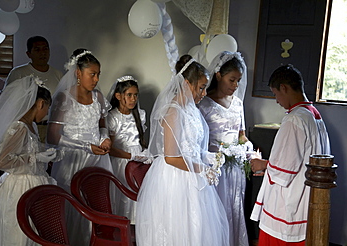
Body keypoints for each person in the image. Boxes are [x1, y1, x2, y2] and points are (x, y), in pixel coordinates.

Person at [136, 54, 230, 245]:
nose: (204, 93)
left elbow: (192, 146)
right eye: (201, 87)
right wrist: (203, 169)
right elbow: (171, 157)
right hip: (174, 177)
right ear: (187, 83)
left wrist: (210, 157)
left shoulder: (192, 109)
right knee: (176, 229)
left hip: (192, 173)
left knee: (197, 228)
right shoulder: (173, 112)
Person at [250, 64, 331, 245]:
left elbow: (284, 169)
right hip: (306, 195)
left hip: (289, 202)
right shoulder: (314, 115)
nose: (277, 101)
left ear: (284, 88)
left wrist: (261, 164)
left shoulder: (294, 118)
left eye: (275, 94)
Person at [0, 75, 59, 246]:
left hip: (34, 182)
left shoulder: (32, 126)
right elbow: (3, 161)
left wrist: (46, 154)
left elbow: (26, 151)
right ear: (40, 104)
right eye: (47, 107)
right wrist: (34, 157)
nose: (46, 112)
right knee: (19, 234)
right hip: (20, 187)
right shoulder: (19, 127)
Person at [46, 48, 113, 246]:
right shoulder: (64, 98)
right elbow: (53, 137)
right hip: (72, 160)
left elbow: (102, 125)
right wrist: (86, 147)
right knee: (73, 206)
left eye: (98, 74)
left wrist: (105, 139)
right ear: (78, 73)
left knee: (96, 203)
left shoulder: (99, 97)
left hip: (97, 158)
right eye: (92, 74)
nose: (96, 79)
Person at [199, 51, 251, 246]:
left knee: (235, 209)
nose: (235, 85)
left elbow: (241, 134)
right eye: (232, 80)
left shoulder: (238, 103)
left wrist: (246, 147)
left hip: (236, 168)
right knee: (217, 211)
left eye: (238, 81)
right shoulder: (203, 104)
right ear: (218, 75)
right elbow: (200, 139)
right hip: (214, 167)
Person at [106, 75, 152, 224]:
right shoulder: (113, 117)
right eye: (129, 95)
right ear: (118, 96)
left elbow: (140, 140)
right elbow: (110, 149)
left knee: (140, 197)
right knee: (124, 199)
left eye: (136, 95)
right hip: (121, 162)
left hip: (138, 161)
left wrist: (144, 154)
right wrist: (130, 155)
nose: (133, 99)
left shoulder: (140, 115)